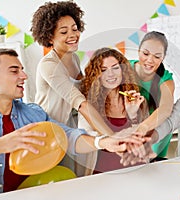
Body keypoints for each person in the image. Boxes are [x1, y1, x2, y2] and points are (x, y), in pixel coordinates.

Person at [0, 48, 146, 198]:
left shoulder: (32, 113)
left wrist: (103, 142)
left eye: (22, 70)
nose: (24, 76)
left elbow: (67, 136)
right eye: (14, 71)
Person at [30, 1, 116, 175]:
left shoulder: (74, 58)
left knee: (80, 177)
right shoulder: (49, 65)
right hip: (52, 131)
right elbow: (81, 103)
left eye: (75, 28)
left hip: (73, 128)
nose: (73, 34)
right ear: (49, 37)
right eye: (64, 31)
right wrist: (111, 137)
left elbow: (85, 90)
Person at [79, 47, 149, 173]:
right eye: (103, 70)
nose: (110, 74)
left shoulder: (135, 99)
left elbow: (145, 138)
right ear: (96, 75)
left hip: (136, 169)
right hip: (103, 173)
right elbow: (84, 139)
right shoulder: (88, 105)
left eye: (115, 68)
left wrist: (133, 115)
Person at [129, 31, 175, 159]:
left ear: (163, 58)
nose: (150, 60)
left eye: (157, 56)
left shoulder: (166, 79)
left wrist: (142, 129)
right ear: (138, 51)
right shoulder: (124, 69)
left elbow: (165, 109)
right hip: (128, 130)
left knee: (150, 168)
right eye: (145, 53)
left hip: (154, 131)